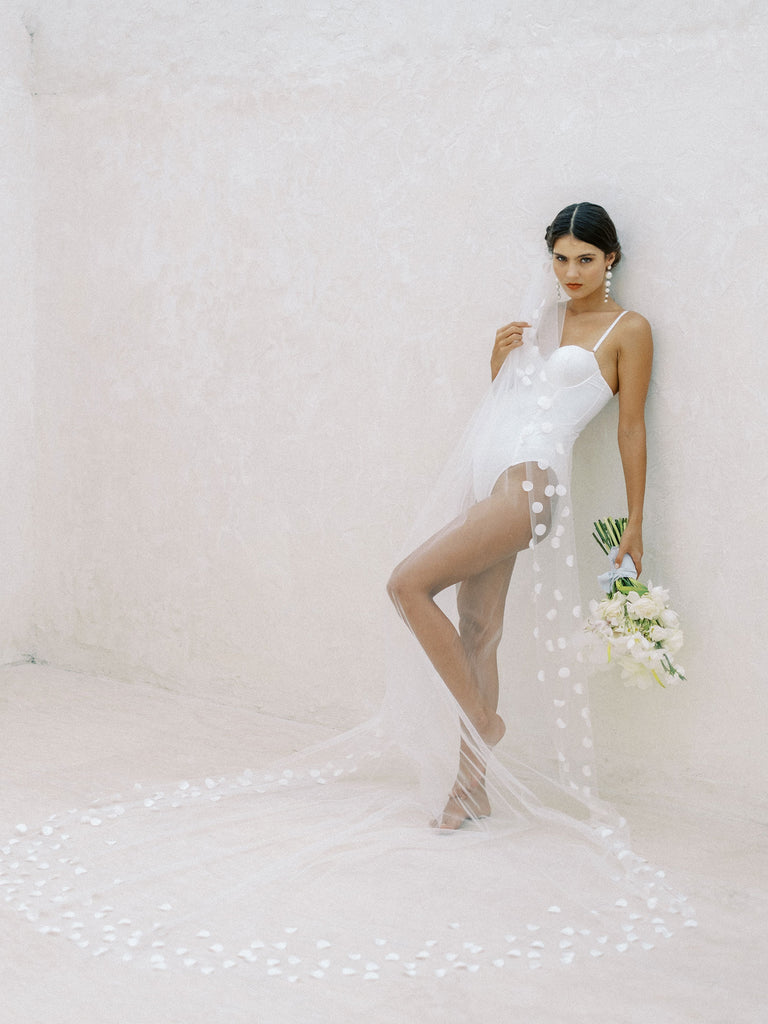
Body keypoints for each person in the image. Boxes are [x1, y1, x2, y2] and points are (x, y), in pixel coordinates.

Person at [387, 202, 653, 829]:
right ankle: (470, 790)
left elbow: (631, 427)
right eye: (560, 259)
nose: (571, 271)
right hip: (490, 476)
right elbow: (508, 404)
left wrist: (635, 520)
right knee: (478, 631)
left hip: (531, 485)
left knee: (407, 583)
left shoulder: (629, 330)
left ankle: (485, 723)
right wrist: (497, 360)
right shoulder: (540, 318)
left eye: (585, 259)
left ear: (610, 258)